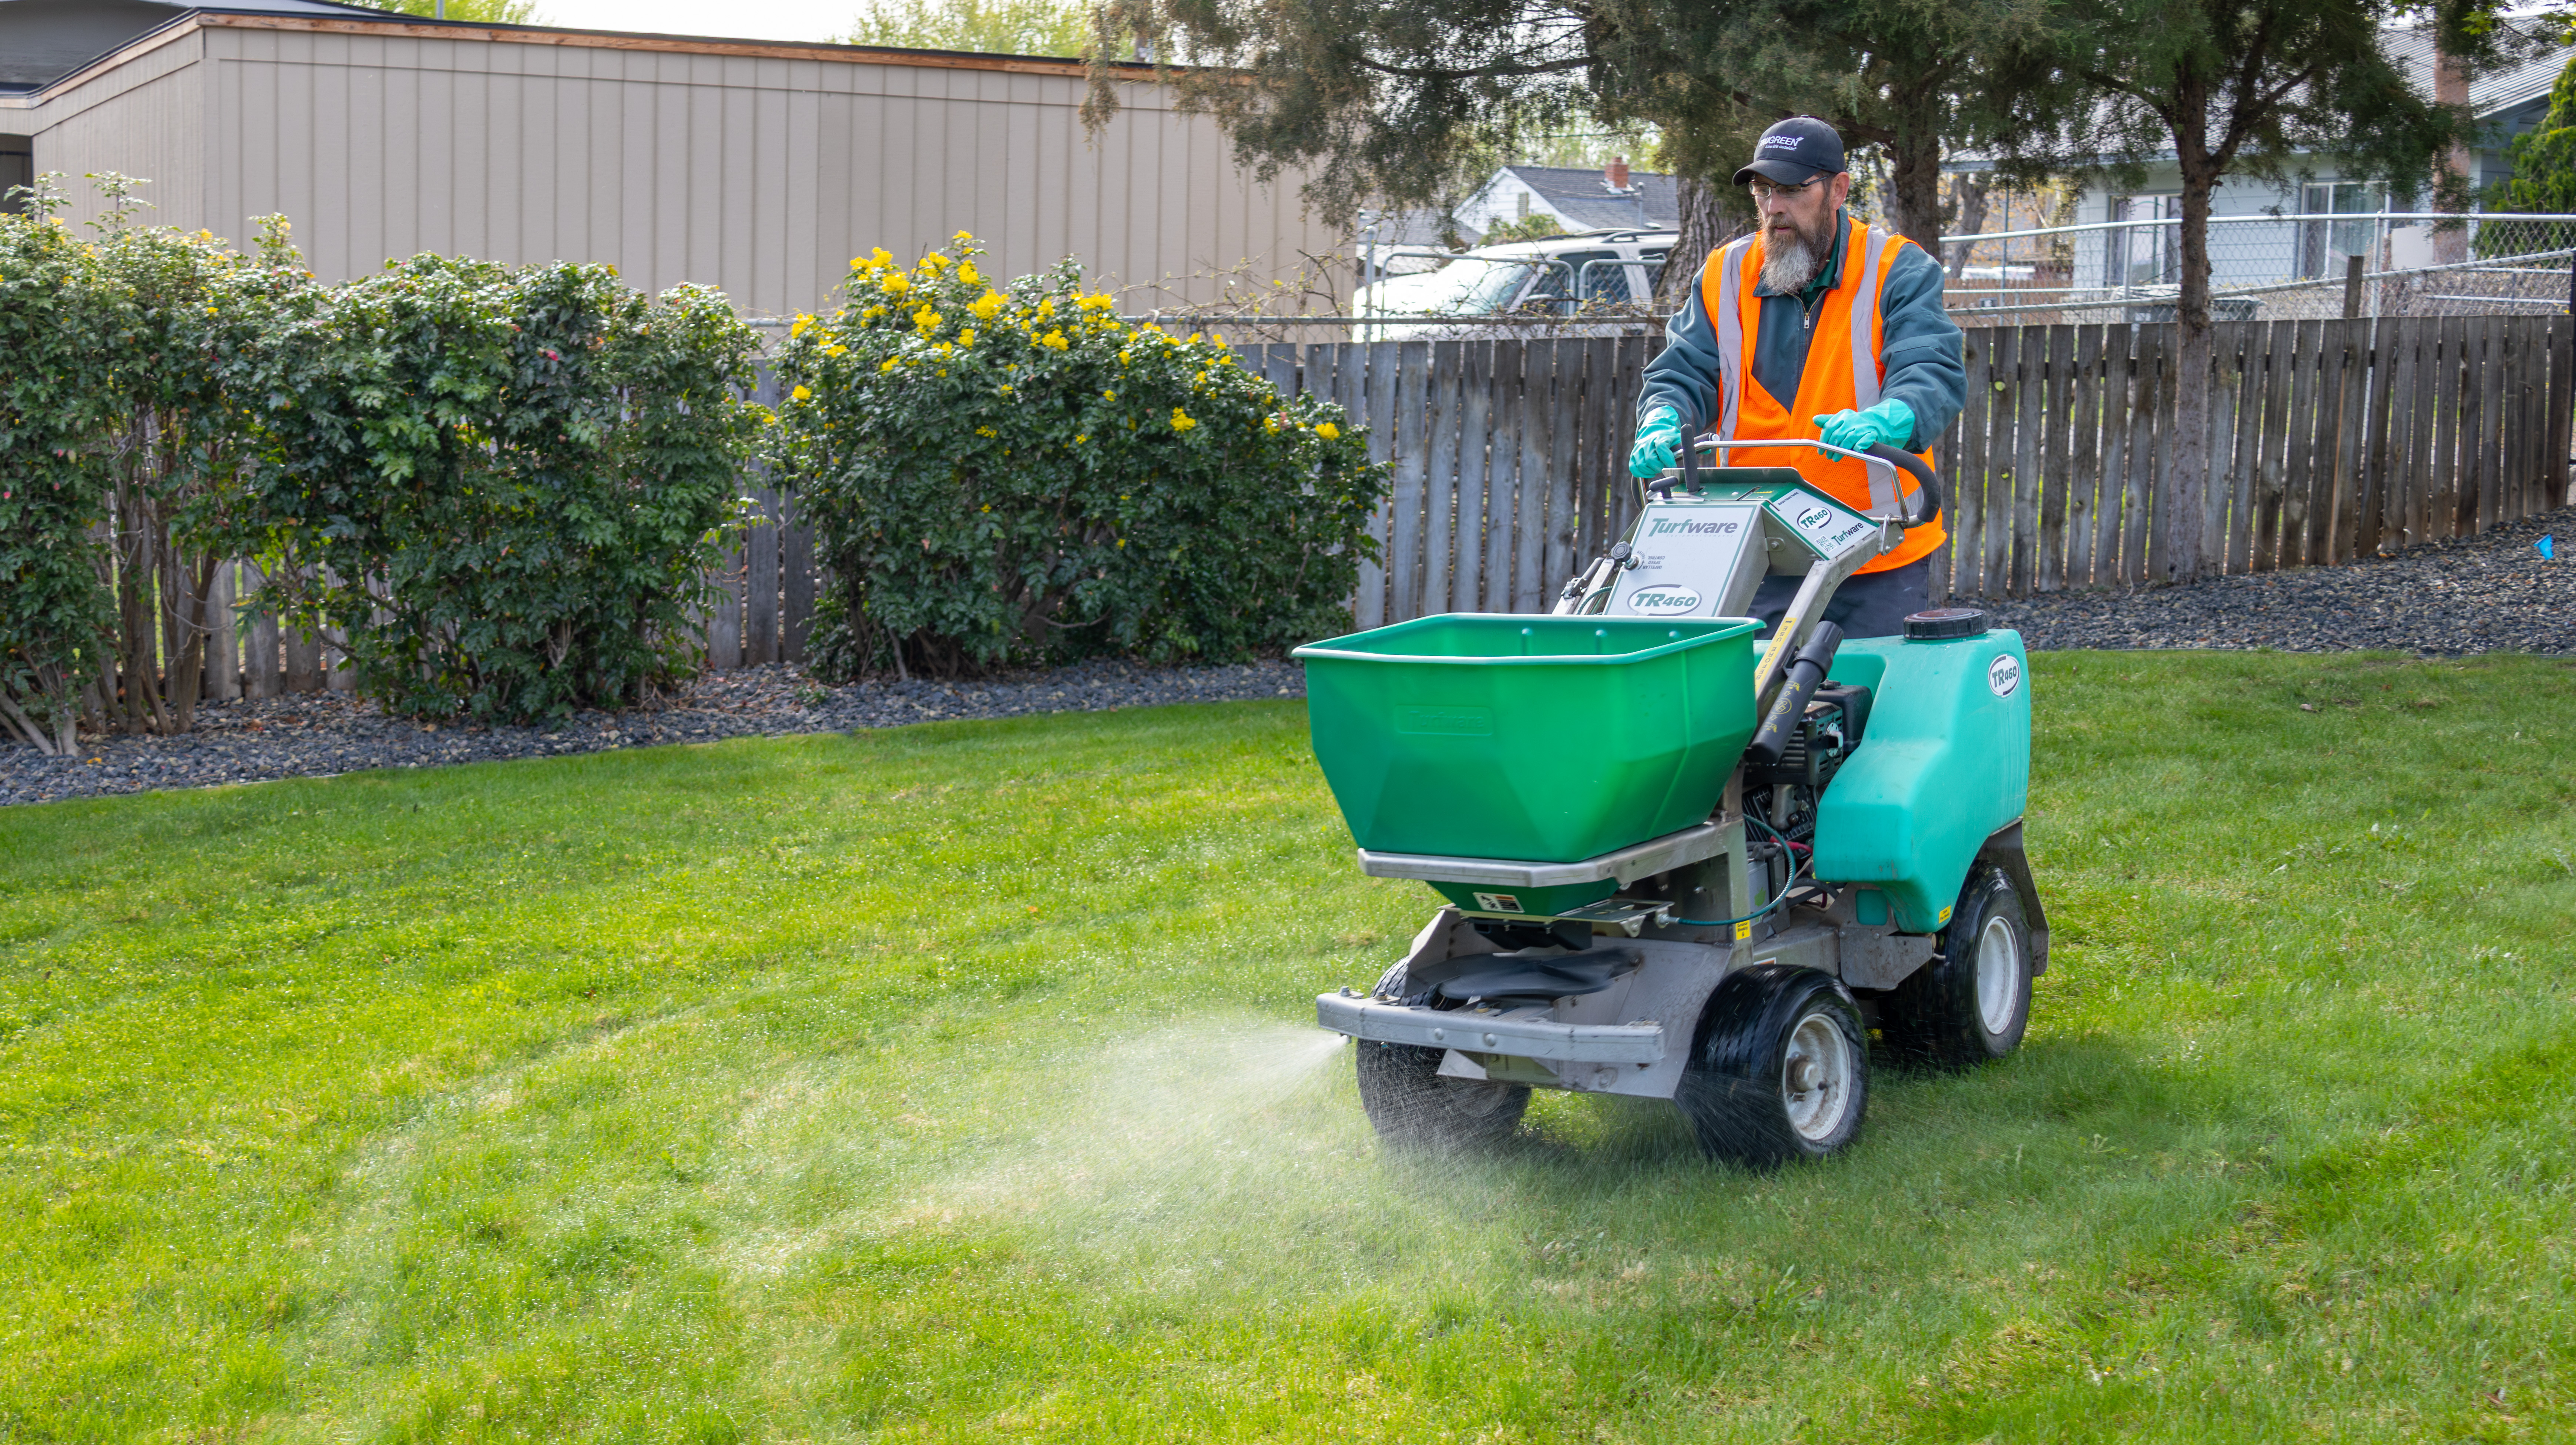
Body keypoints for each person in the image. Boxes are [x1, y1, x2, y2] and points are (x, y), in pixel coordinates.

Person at [1630, 117, 1965, 638]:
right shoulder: (1724, 273)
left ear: (1838, 189)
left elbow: (1931, 365)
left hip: (1873, 550)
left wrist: (1893, 416)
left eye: (1791, 189)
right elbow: (1684, 370)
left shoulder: (1897, 268)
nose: (1773, 207)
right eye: (1764, 191)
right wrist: (1661, 418)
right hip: (1753, 546)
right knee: (1754, 706)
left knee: (1871, 703)